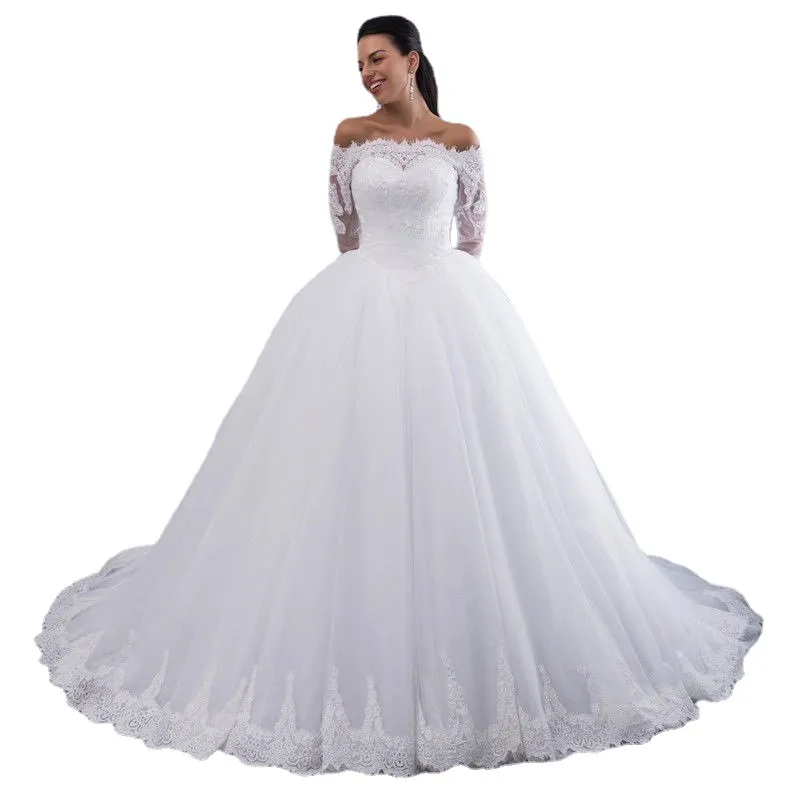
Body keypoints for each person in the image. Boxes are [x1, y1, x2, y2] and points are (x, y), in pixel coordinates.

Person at [34, 14, 763, 778]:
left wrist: (430, 281)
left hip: (451, 310)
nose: (367, 73)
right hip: (359, 312)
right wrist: (383, 286)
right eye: (359, 64)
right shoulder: (349, 135)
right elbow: (344, 232)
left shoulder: (460, 139)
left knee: (479, 475)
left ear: (413, 60)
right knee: (334, 472)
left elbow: (473, 233)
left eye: (378, 58)